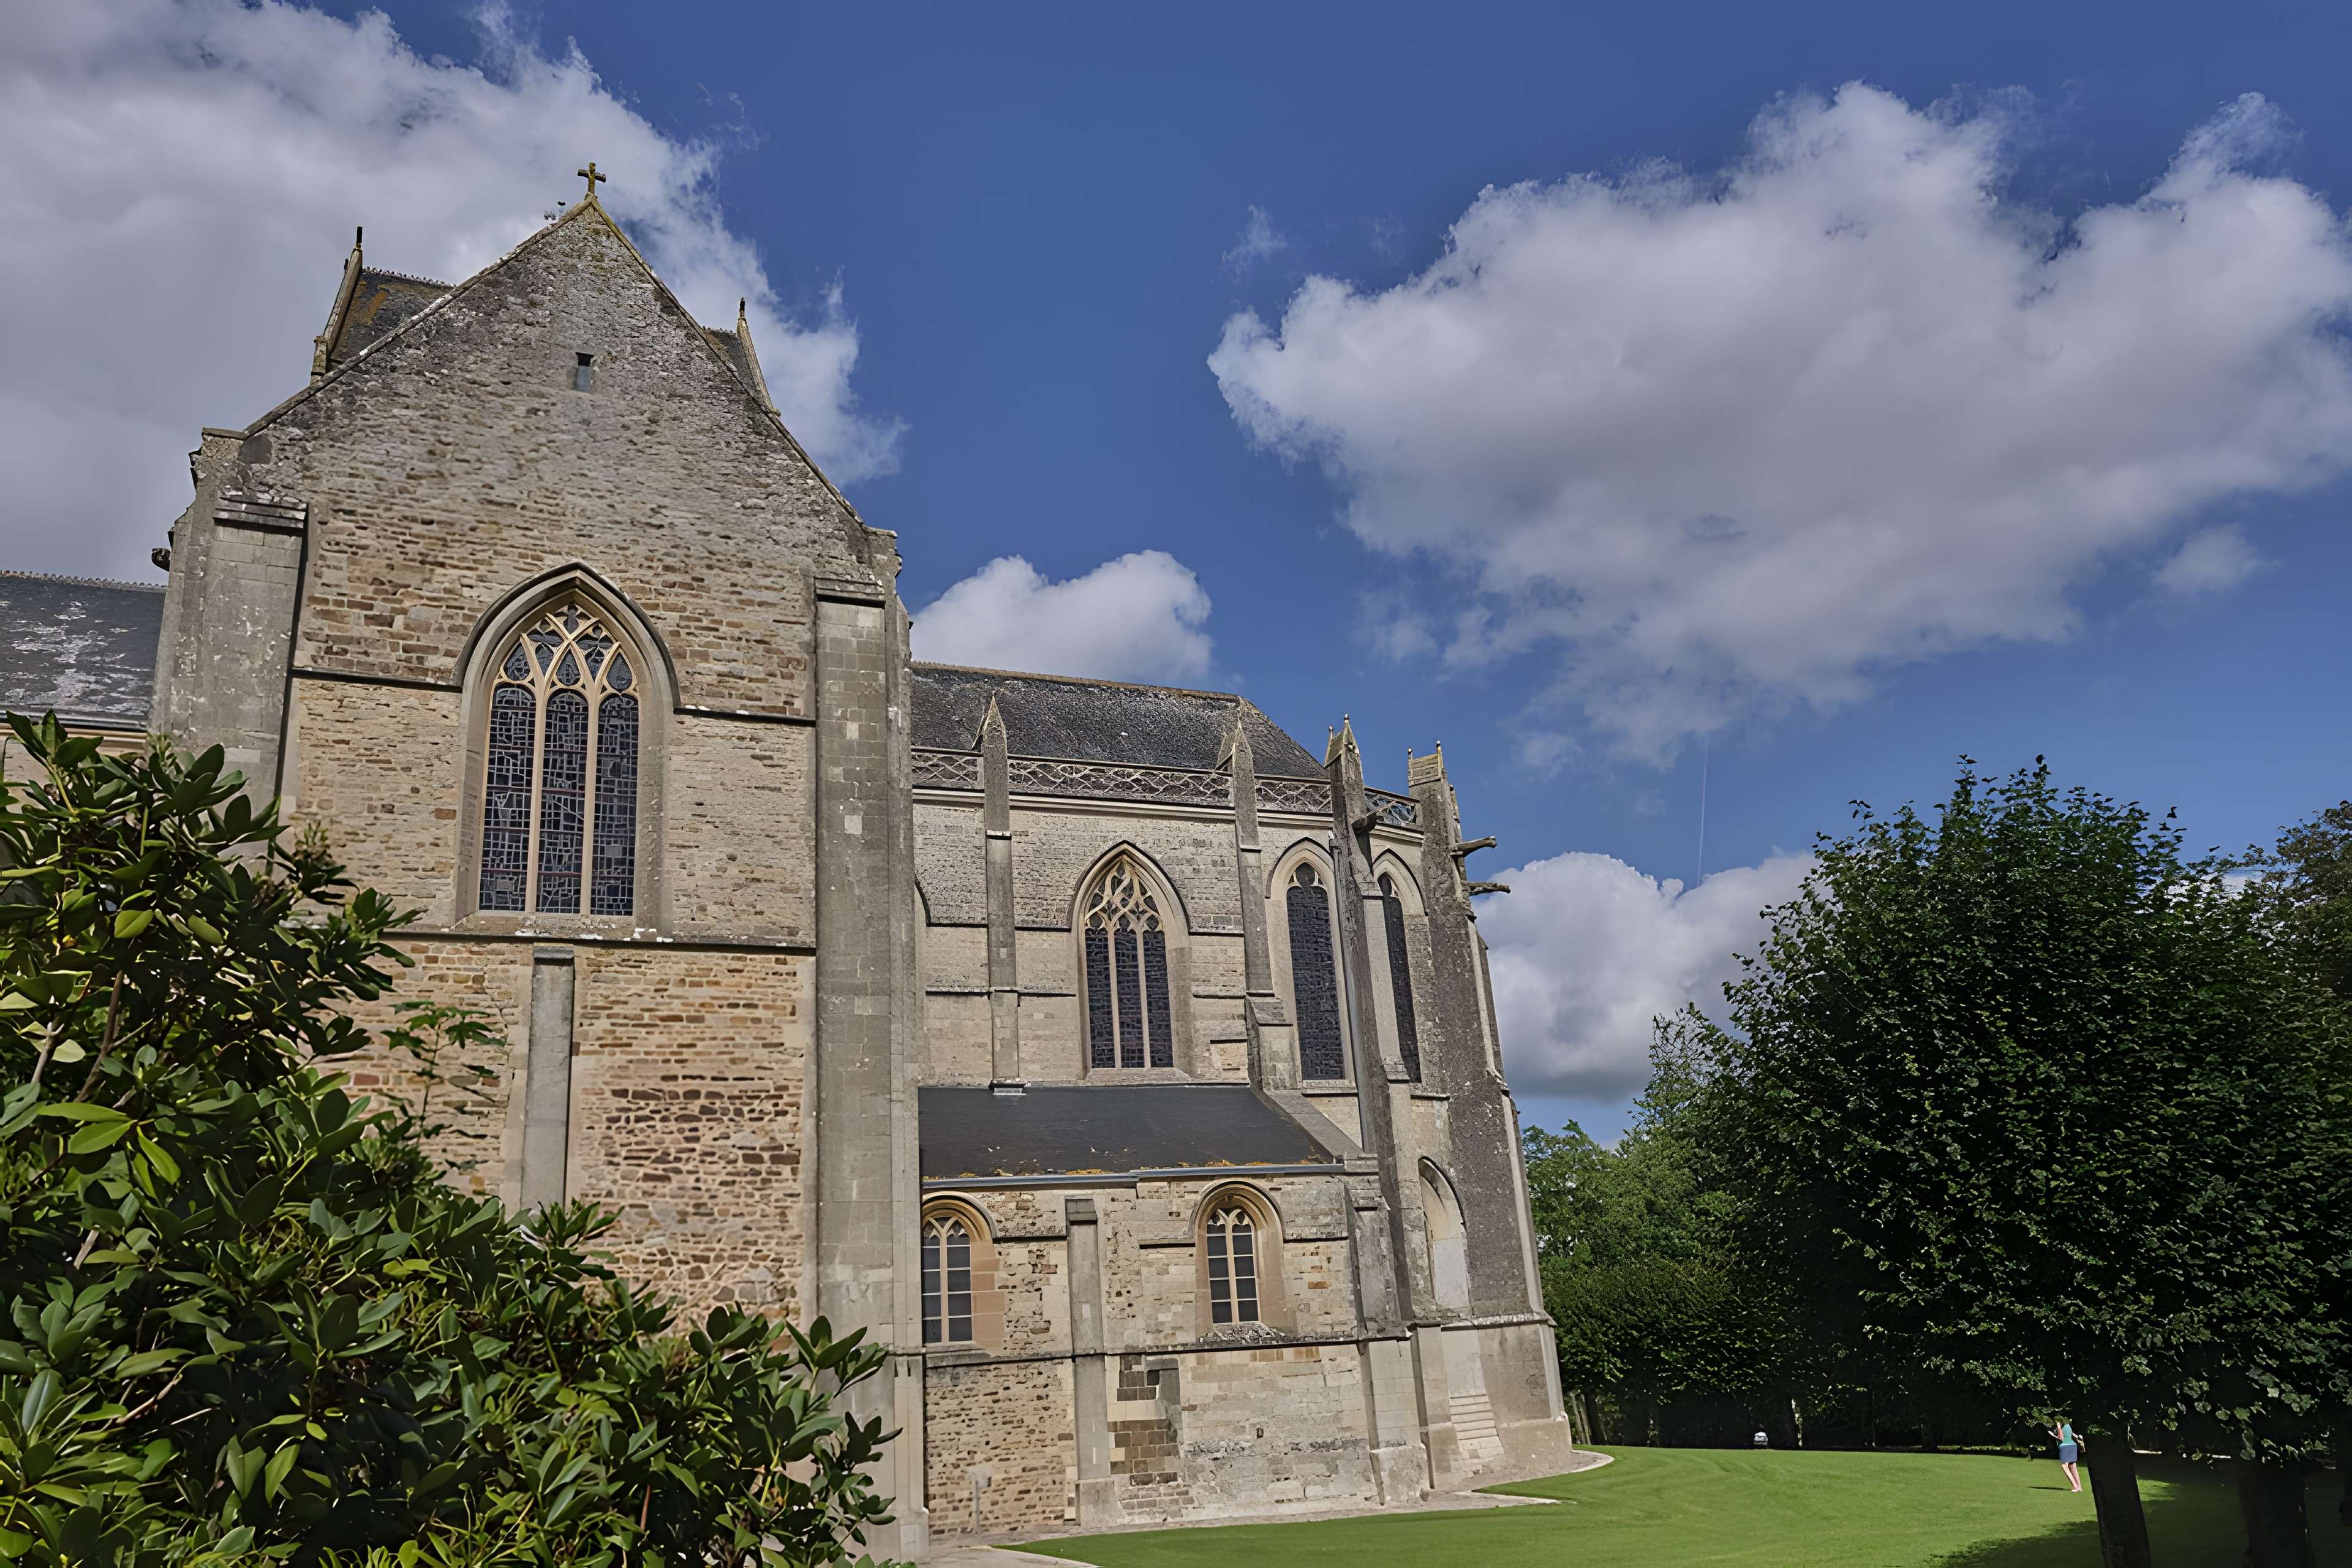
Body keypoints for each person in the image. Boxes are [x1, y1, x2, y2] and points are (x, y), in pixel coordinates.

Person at [2049, 1419, 2081, 1493]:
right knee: (2072, 1466)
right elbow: (2074, 1435)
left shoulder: (2058, 1423)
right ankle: (2079, 1487)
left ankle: (2076, 1487)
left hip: (2065, 1446)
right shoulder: (2067, 1424)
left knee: (2065, 1466)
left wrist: (2059, 1433)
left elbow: (2061, 1436)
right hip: (2073, 1445)